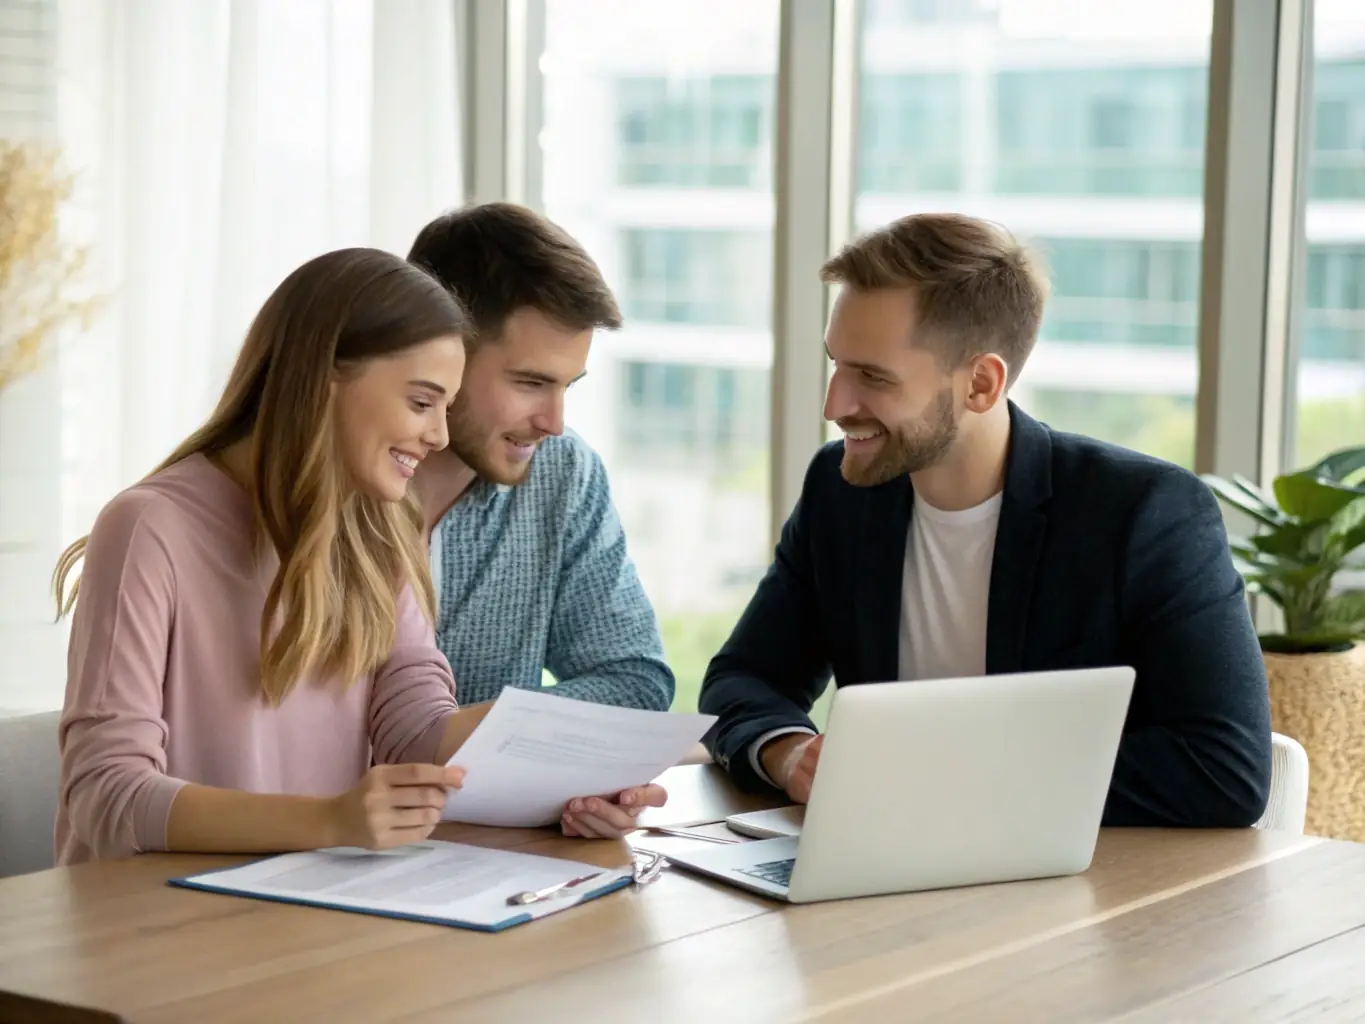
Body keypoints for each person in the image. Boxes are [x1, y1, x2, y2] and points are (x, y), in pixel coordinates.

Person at [53, 247, 665, 864]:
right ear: (324, 377)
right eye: (422, 403)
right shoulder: (148, 528)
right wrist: (331, 820)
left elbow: (417, 732)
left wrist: (578, 773)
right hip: (150, 925)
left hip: (306, 906)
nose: (439, 435)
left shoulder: (375, 527)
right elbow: (107, 794)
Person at [699, 213, 1273, 829]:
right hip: (876, 866)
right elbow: (745, 677)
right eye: (837, 364)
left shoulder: (1143, 512)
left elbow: (1224, 768)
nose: (835, 404)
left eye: (873, 377)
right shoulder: (840, 492)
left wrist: (934, 777)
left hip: (1080, 887)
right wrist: (789, 756)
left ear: (980, 383)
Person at [407, 203, 676, 839]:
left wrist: (563, 771)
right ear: (438, 352)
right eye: (530, 383)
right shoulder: (324, 487)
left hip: (488, 854)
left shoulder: (562, 472)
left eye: (568, 387)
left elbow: (635, 683)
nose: (553, 421)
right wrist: (545, 741)